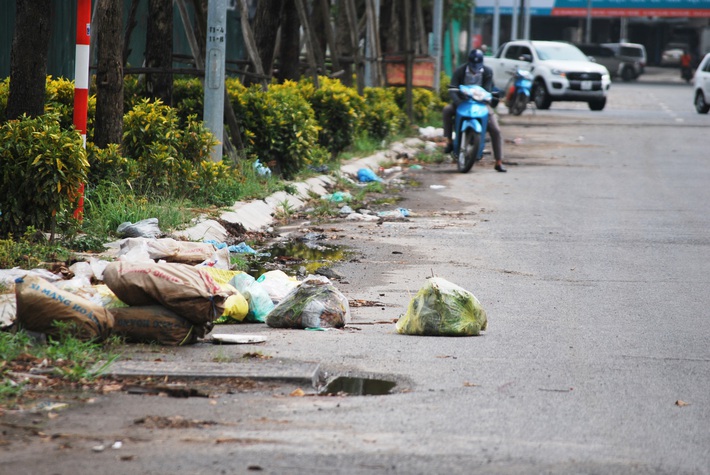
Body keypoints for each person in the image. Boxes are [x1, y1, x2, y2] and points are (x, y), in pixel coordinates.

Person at [442, 49, 506, 172]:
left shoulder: (487, 72)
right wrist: (458, 103)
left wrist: (491, 97)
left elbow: (488, 89)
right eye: (473, 65)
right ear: (468, 62)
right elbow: (453, 88)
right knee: (447, 110)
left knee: (496, 130)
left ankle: (499, 161)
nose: (475, 68)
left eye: (478, 65)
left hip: (481, 104)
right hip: (462, 102)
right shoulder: (460, 71)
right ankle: (449, 141)